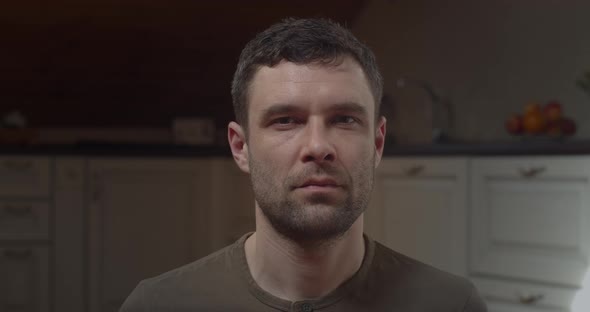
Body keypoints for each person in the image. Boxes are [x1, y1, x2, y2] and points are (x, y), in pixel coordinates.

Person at [120, 18, 487, 312]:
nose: (317, 146)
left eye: (344, 119)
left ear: (377, 143)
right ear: (240, 146)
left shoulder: (453, 305)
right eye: (285, 121)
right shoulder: (157, 305)